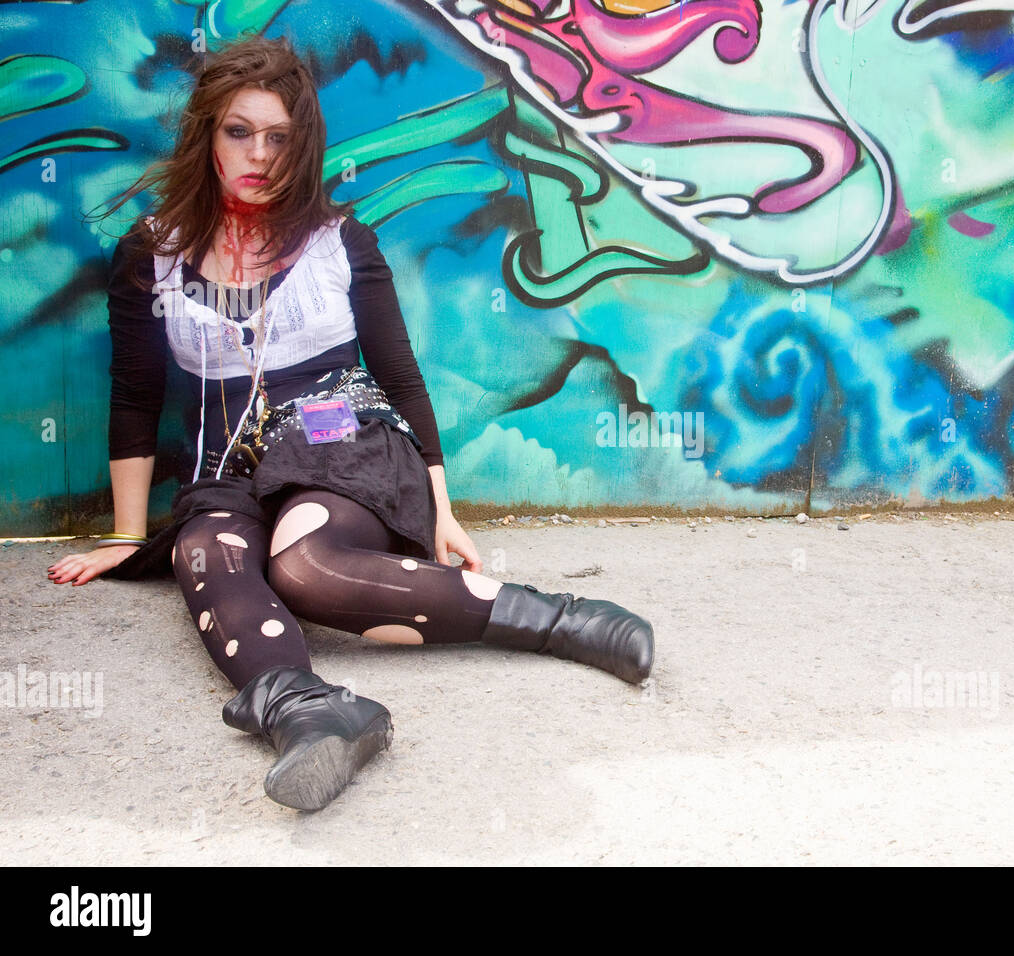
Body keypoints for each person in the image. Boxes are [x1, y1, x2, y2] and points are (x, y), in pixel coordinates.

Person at [50, 34, 653, 813]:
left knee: (303, 565)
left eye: (280, 137)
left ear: (302, 147)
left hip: (342, 447)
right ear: (206, 136)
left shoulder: (340, 245)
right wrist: (129, 537)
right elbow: (133, 394)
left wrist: (441, 510)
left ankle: (563, 622)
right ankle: (311, 714)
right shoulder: (153, 255)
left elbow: (401, 376)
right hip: (225, 472)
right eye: (240, 132)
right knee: (205, 549)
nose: (259, 156)